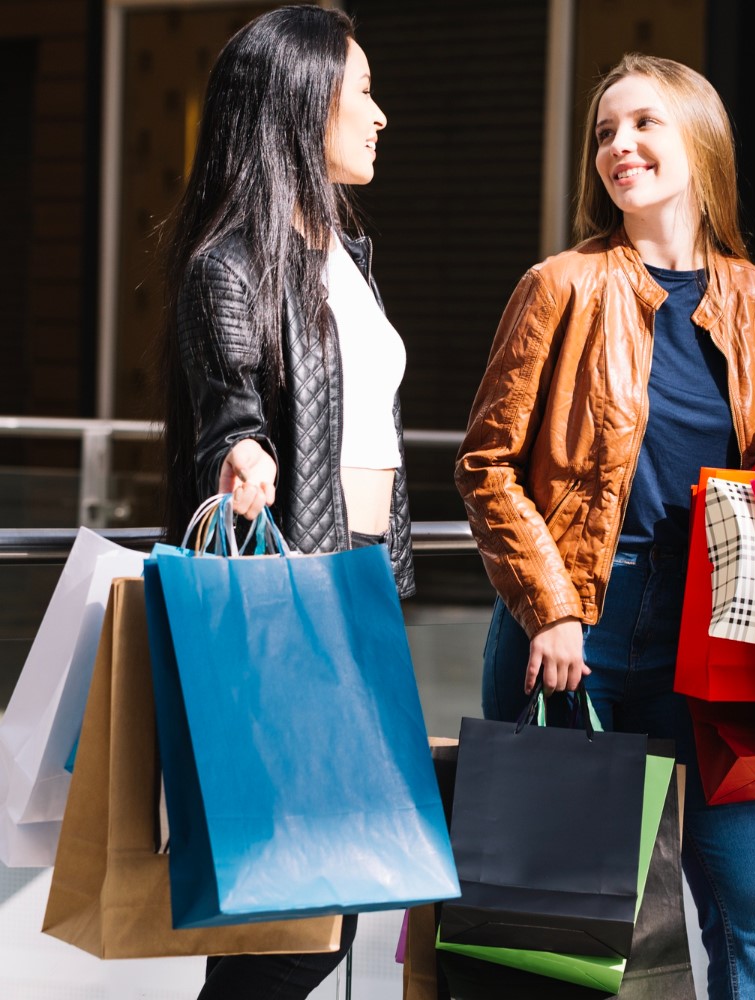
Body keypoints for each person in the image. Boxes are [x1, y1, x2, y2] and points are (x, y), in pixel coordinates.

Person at [456, 53, 755, 1000]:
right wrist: (550, 607)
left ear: (700, 142)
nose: (619, 147)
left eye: (643, 125)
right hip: (573, 625)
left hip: (706, 638)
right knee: (541, 925)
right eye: (604, 133)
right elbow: (486, 464)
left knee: (752, 919)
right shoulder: (562, 286)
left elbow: (748, 492)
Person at [159, 6, 412, 998]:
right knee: (292, 929)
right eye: (362, 94)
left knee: (322, 913)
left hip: (361, 608)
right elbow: (228, 415)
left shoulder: (348, 258)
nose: (381, 116)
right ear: (300, 107)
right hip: (290, 623)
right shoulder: (229, 266)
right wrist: (241, 455)